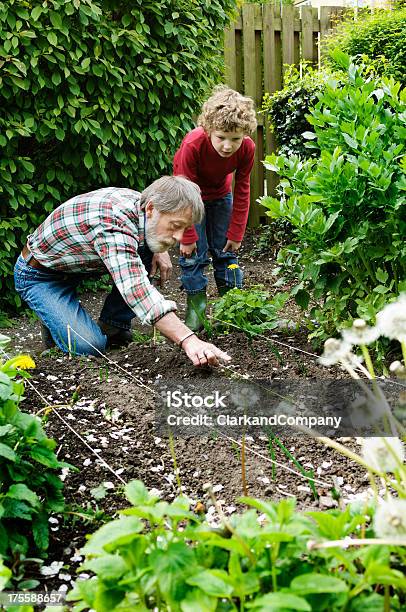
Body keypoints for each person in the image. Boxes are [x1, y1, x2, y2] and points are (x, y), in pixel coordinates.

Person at [14, 176, 231, 367]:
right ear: (151, 209)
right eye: (175, 225)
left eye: (184, 228)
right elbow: (136, 289)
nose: (179, 237)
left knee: (148, 246)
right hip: (40, 276)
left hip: (73, 266)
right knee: (90, 346)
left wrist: (159, 249)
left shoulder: (143, 204)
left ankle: (114, 326)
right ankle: (53, 318)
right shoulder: (112, 225)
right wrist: (188, 339)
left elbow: (144, 236)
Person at [173, 85, 257, 331]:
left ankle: (233, 308)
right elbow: (182, 193)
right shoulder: (192, 145)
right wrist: (187, 236)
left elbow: (242, 188)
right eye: (221, 137)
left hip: (221, 197)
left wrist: (236, 232)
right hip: (190, 199)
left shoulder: (247, 148)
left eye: (235, 139)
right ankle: (196, 311)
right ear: (209, 129)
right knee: (193, 257)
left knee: (226, 252)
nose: (228, 146)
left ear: (244, 135)